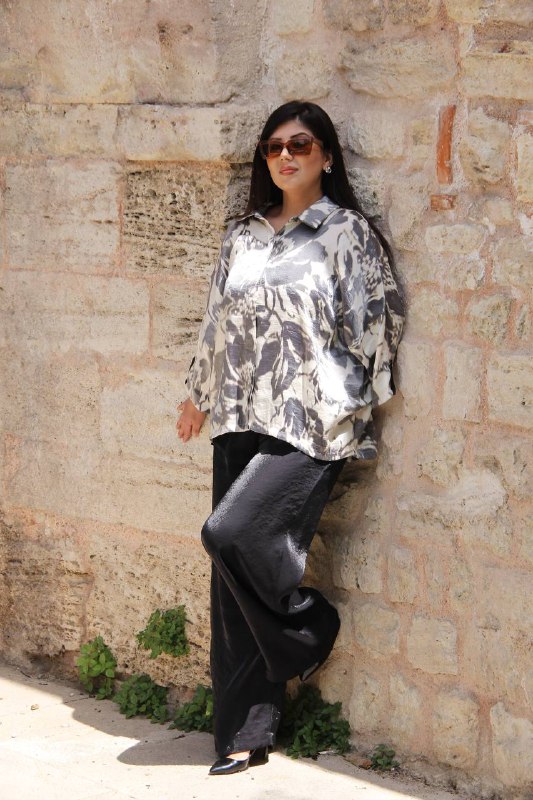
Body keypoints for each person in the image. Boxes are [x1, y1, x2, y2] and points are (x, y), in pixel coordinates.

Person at [176, 100, 405, 776]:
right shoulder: (242, 236)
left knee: (230, 535)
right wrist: (196, 394)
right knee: (231, 581)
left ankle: (310, 630)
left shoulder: (345, 233)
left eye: (300, 145)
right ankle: (243, 733)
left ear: (325, 157)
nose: (285, 156)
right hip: (240, 414)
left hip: (311, 421)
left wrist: (356, 400)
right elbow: (216, 320)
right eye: (274, 147)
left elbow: (380, 319)